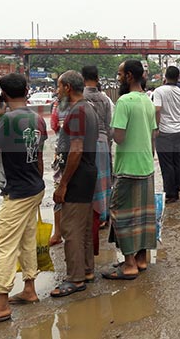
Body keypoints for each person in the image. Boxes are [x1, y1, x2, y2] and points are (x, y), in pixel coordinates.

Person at [0, 73, 47, 327]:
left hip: (17, 192)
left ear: (2, 94)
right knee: (27, 240)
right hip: (35, 187)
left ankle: (1, 304)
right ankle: (29, 288)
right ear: (27, 90)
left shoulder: (8, 120)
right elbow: (38, 157)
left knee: (4, 246)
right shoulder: (37, 118)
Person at [105, 60, 157, 280]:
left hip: (127, 167)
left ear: (128, 76)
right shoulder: (147, 101)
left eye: (119, 74)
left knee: (121, 213)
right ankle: (142, 259)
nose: (117, 78)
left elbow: (119, 136)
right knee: (144, 215)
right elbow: (154, 134)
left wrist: (107, 131)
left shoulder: (124, 101)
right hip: (146, 165)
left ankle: (128, 264)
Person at [50, 71, 98, 297]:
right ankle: (86, 270)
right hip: (88, 172)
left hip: (78, 175)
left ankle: (76, 279)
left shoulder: (78, 111)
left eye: (59, 87)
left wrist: (63, 184)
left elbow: (76, 149)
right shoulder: (88, 108)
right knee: (84, 225)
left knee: (71, 229)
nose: (57, 91)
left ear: (68, 87)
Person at [82, 66, 113, 239]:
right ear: (98, 77)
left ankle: (93, 215)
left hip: (87, 143)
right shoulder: (105, 98)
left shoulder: (81, 98)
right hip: (102, 142)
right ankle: (104, 215)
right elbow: (109, 124)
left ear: (82, 77)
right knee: (104, 180)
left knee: (90, 181)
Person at [154, 66, 180, 203]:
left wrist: (156, 127)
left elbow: (157, 109)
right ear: (178, 77)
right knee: (178, 160)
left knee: (166, 163)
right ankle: (178, 185)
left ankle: (171, 193)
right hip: (178, 130)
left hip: (164, 132)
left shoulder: (159, 91)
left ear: (165, 76)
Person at [49, 98, 70, 247]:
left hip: (63, 153)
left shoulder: (57, 105)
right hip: (80, 155)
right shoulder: (84, 105)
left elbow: (54, 125)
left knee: (59, 191)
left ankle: (58, 233)